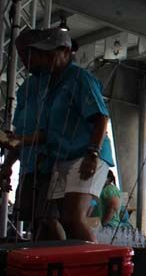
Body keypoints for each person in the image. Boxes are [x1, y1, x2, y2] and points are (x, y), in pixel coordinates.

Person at [11, 27, 115, 242]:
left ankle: (97, 266)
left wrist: (92, 153)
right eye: (43, 53)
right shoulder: (50, 85)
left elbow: (101, 118)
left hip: (85, 153)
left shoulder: (80, 78)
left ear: (66, 52)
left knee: (73, 218)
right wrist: (19, 140)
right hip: (61, 158)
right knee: (53, 221)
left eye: (51, 53)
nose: (45, 58)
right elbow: (45, 132)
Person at [0, 38, 56, 239]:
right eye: (22, 57)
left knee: (49, 220)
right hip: (28, 167)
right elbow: (19, 132)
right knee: (33, 219)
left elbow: (51, 132)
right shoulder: (25, 89)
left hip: (51, 165)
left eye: (28, 56)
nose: (25, 62)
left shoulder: (56, 83)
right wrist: (7, 165)